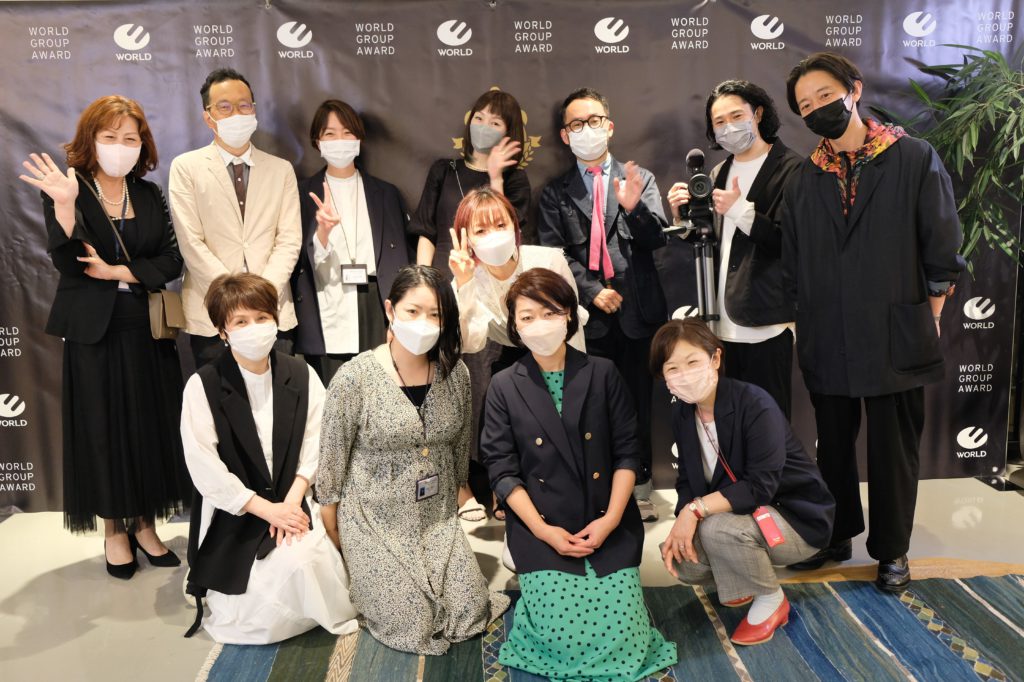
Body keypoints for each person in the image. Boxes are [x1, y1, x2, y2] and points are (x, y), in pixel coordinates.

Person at [781, 53, 965, 591]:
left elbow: (941, 244)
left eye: (824, 95)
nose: (816, 108)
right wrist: (802, 320)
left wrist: (932, 315)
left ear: (854, 90)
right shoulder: (804, 176)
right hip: (827, 333)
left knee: (892, 450)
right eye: (805, 105)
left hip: (895, 330)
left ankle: (892, 550)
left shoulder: (913, 157)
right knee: (833, 446)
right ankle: (836, 534)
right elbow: (794, 259)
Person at [19, 95, 189, 579]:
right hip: (94, 331)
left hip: (146, 328)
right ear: (90, 140)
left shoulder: (149, 194)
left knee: (149, 427)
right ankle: (115, 529)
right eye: (109, 136)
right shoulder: (68, 188)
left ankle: (145, 525)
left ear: (142, 144)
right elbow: (67, 261)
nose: (120, 145)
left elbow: (171, 261)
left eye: (130, 138)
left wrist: (118, 271)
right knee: (103, 429)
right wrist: (65, 206)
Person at [481, 268, 677, 679]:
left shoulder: (603, 372)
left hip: (605, 519)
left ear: (569, 314)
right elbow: (501, 468)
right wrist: (543, 531)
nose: (539, 324)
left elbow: (627, 453)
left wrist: (610, 520)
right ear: (514, 325)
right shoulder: (503, 385)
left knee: (624, 636)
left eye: (549, 312)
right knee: (563, 637)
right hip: (541, 526)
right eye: (527, 316)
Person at [316, 265, 508, 655]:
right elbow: (331, 466)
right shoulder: (354, 378)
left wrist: (458, 506)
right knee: (412, 625)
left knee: (470, 612)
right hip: (373, 521)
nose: (424, 322)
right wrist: (340, 542)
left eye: (435, 314)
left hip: (436, 519)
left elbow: (459, 450)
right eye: (413, 311)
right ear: (390, 310)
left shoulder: (456, 374)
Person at [180, 273, 358, 644]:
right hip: (237, 508)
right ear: (222, 332)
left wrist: (291, 501)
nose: (254, 328)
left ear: (276, 321)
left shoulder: (301, 373)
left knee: (305, 561)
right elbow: (204, 465)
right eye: (240, 322)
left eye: (262, 318)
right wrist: (265, 510)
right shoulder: (204, 385)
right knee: (254, 608)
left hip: (293, 498)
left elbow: (319, 440)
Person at [653, 318, 835, 646]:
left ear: (715, 358)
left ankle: (771, 600)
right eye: (672, 368)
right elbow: (687, 479)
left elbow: (760, 487)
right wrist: (683, 520)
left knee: (717, 529)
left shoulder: (754, 403)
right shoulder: (683, 413)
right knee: (684, 561)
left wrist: (694, 512)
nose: (684, 375)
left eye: (692, 362)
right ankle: (739, 579)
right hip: (741, 513)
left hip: (793, 518)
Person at [538, 87, 668, 521]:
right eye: (577, 124)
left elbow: (656, 239)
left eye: (594, 121)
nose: (586, 130)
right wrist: (592, 291)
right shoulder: (556, 193)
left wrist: (634, 209)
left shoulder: (639, 178)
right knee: (591, 407)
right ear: (564, 135)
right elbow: (554, 253)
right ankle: (596, 490)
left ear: (609, 126)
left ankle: (641, 487)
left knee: (638, 404)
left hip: (638, 314)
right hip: (587, 318)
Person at [666, 80, 802, 418]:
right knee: (729, 420)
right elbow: (709, 238)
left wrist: (741, 210)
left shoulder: (792, 168)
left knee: (769, 421)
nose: (728, 127)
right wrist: (681, 217)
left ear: (758, 113)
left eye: (736, 116)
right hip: (720, 324)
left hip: (766, 323)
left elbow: (790, 243)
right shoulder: (719, 171)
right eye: (719, 121)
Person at [448, 187, 587, 518]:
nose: (494, 236)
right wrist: (464, 285)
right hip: (514, 355)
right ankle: (507, 492)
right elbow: (470, 342)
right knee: (502, 407)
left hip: (560, 354)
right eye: (481, 230)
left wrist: (578, 379)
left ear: (515, 225)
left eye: (501, 225)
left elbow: (573, 323)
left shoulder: (548, 260)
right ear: (467, 239)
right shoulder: (467, 279)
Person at [169, 67, 302, 368]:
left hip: (273, 312)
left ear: (253, 110)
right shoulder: (186, 167)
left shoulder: (280, 169)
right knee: (220, 394)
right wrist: (231, 297)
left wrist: (262, 295)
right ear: (208, 117)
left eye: (244, 106)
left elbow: (289, 239)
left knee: (280, 392)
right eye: (225, 107)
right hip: (213, 316)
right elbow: (191, 242)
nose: (236, 114)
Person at [291, 99, 410, 385]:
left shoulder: (386, 193)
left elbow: (401, 257)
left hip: (375, 301)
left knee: (380, 390)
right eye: (330, 134)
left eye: (347, 133)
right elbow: (299, 259)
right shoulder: (301, 193)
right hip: (327, 300)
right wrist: (322, 232)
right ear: (317, 141)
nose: (340, 141)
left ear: (359, 139)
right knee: (333, 395)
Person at [408, 88, 530, 279]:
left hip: (493, 278)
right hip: (443, 277)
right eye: (479, 118)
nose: (484, 127)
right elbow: (426, 231)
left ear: (508, 132)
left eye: (495, 123)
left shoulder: (515, 179)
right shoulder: (444, 170)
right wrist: (423, 278)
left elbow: (505, 233)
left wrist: (496, 178)